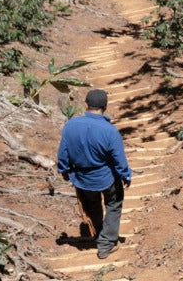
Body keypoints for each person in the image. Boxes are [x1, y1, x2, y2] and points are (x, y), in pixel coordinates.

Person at [56, 88, 133, 260]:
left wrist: (64, 171)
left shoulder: (70, 126)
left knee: (93, 205)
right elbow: (119, 160)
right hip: (106, 177)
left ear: (86, 105)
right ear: (105, 107)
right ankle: (106, 244)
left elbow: (63, 154)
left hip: (82, 178)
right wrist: (126, 176)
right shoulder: (110, 131)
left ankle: (99, 235)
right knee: (113, 204)